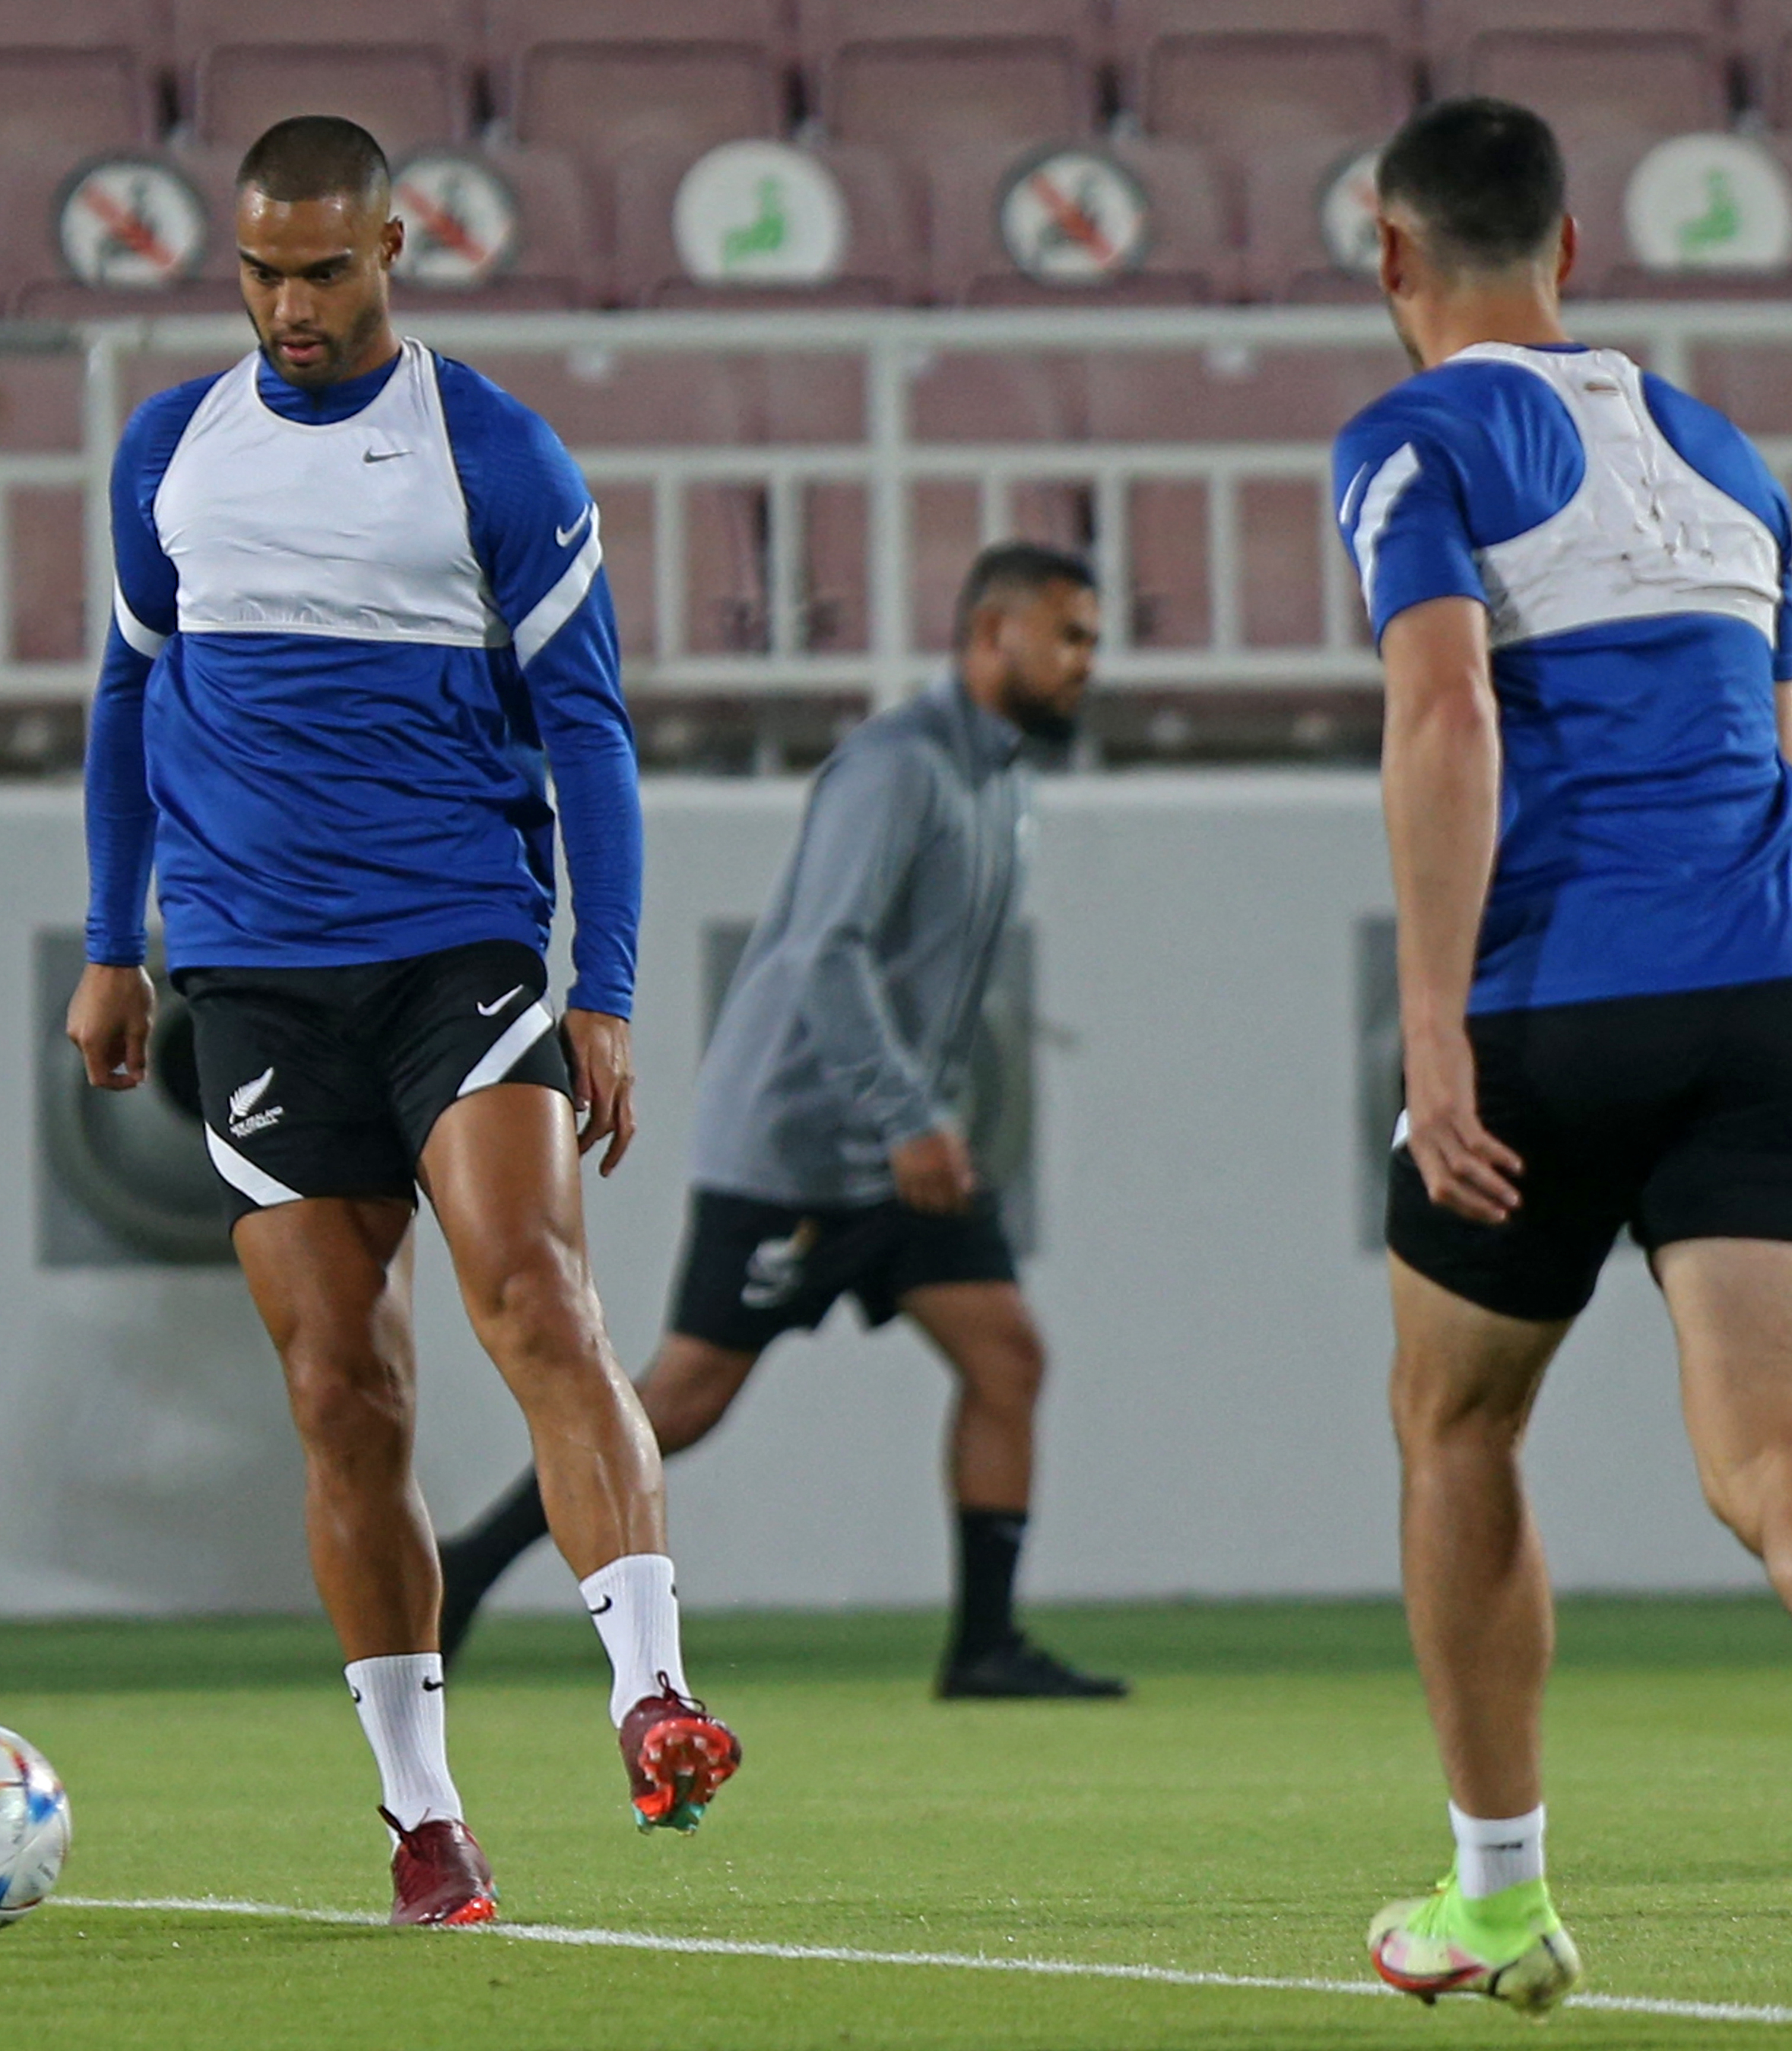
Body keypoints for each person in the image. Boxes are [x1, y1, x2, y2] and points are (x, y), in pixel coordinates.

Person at [63, 115, 737, 1932]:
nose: (290, 304)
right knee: (342, 1392)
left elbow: (588, 728)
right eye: (262, 272)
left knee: (533, 1288)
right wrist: (115, 944)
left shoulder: (493, 456)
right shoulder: (170, 454)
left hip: (459, 945)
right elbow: (131, 692)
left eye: (325, 269)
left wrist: (602, 985)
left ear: (397, 248)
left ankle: (653, 1692)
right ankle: (422, 1816)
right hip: (254, 970)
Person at [1333, 100, 1792, 2017]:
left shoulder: (1413, 435)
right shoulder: (1728, 458)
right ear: (1570, 253)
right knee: (1776, 1450)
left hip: (1547, 997)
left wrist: (1430, 1021)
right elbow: (1766, 737)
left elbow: (1444, 714)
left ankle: (1496, 1893)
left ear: (1390, 262)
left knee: (1455, 1422)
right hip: (1778, 987)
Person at [437, 543, 1128, 1703]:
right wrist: (907, 1111)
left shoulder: (1004, 776)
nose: (1085, 665)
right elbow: (826, 955)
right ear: (991, 635)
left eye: (1092, 643)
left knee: (1008, 1357)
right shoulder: (898, 768)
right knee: (689, 1396)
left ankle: (986, 1646)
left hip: (898, 1155)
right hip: (802, 1148)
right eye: (1070, 638)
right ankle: (464, 1568)